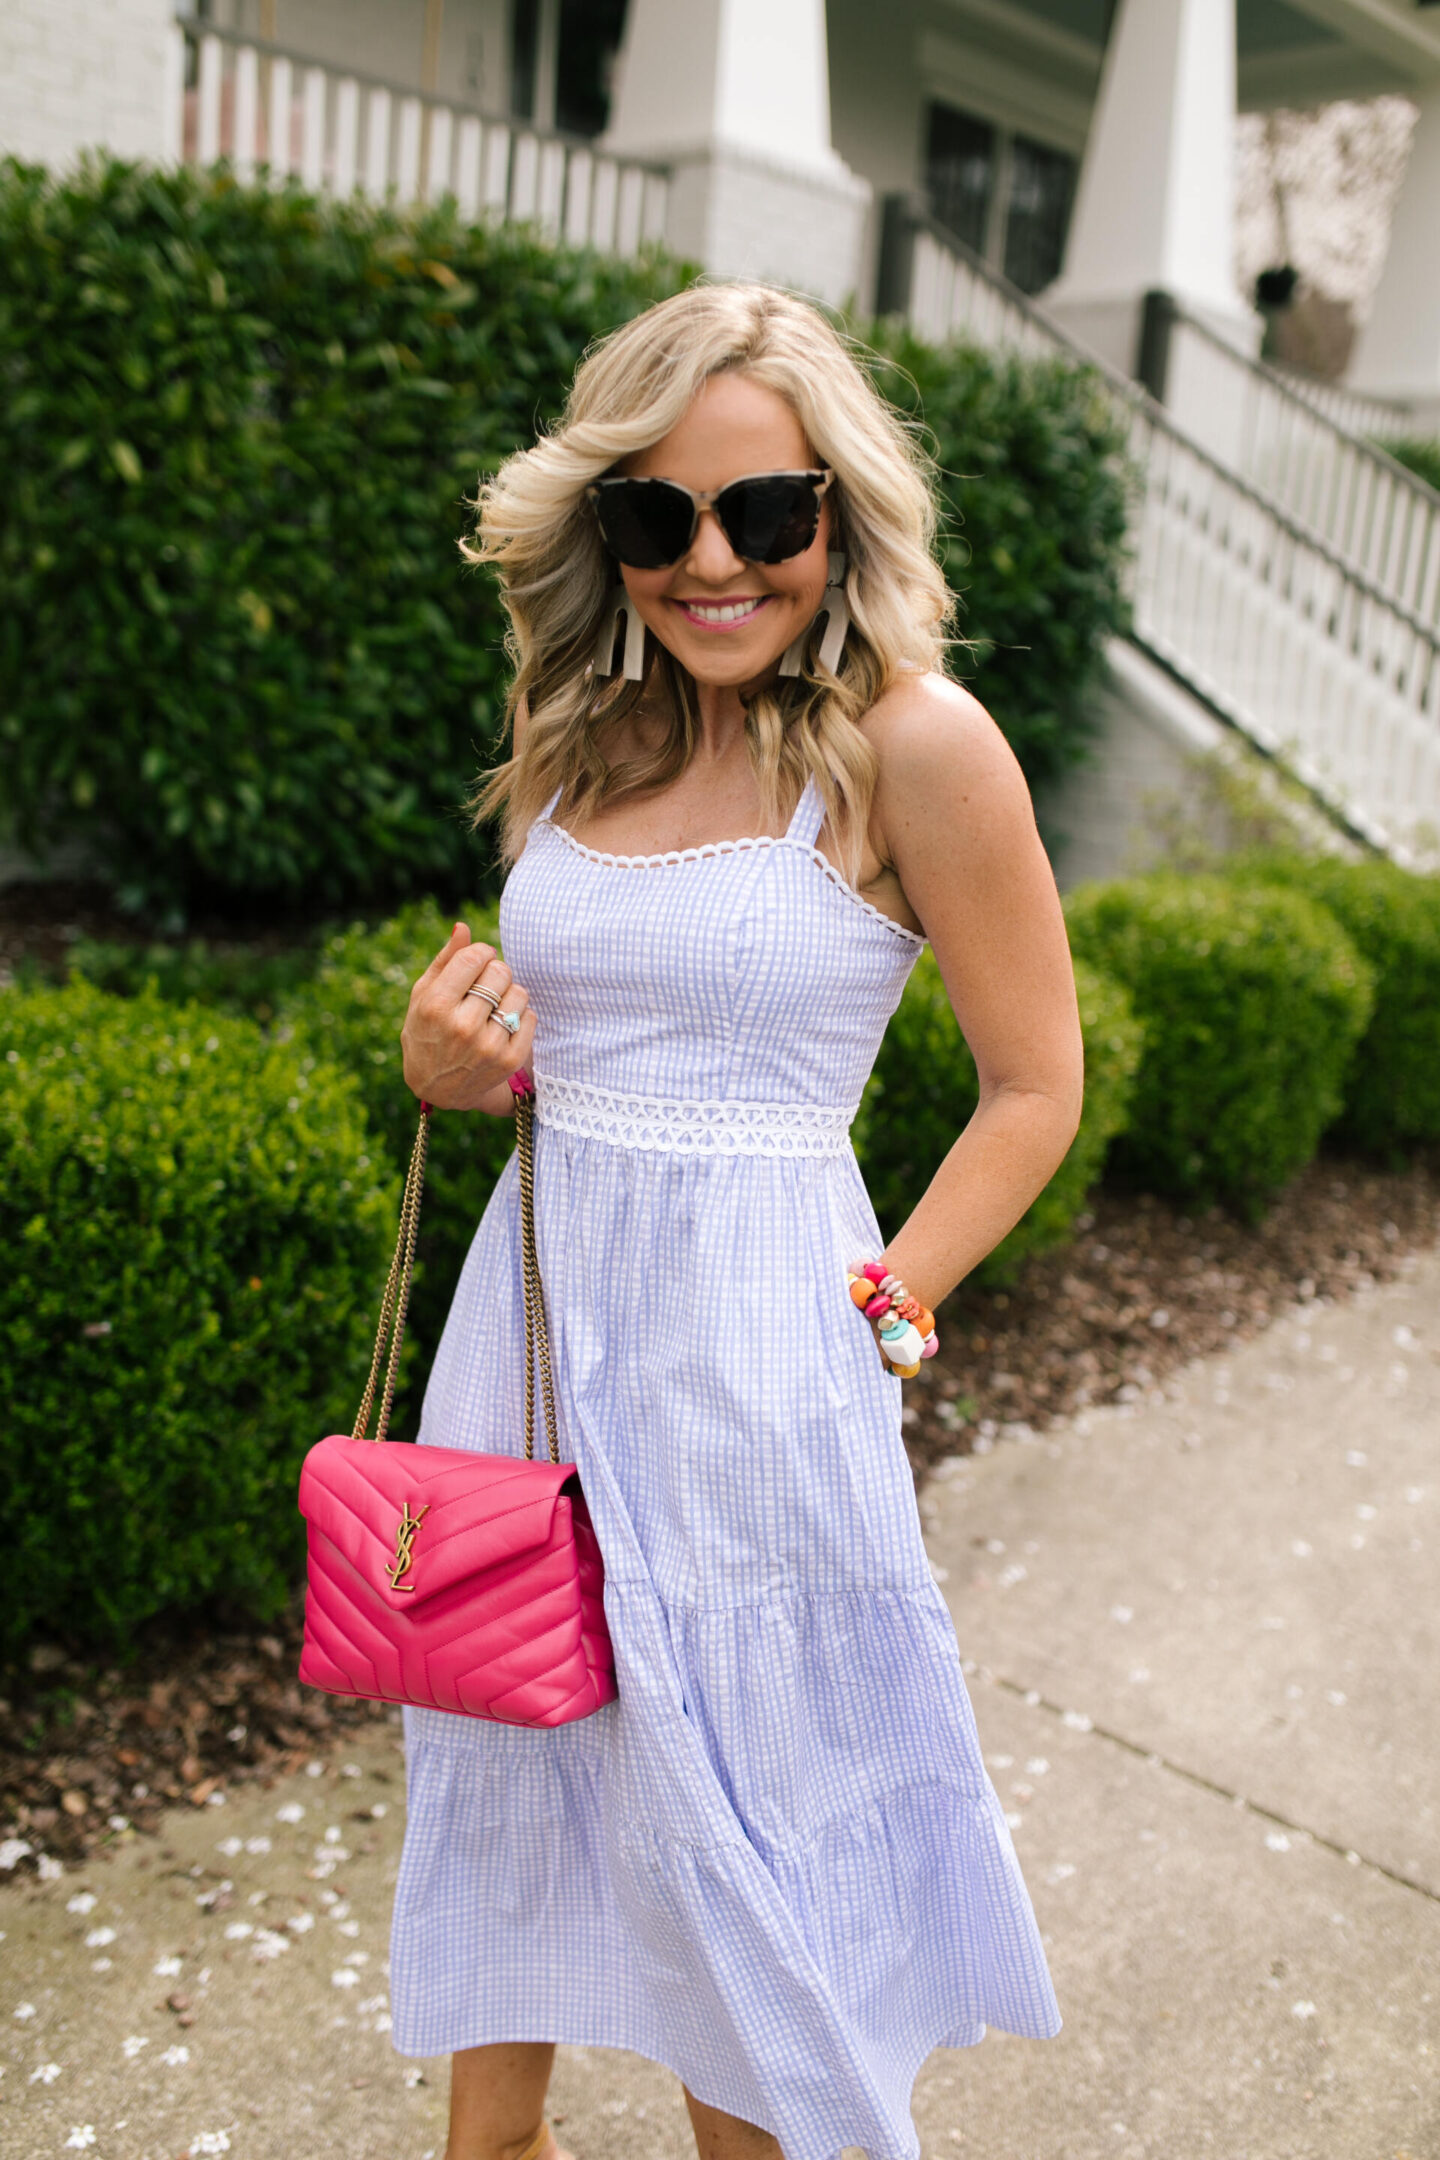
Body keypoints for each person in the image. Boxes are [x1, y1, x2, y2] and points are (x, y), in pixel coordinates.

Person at [397, 281, 1081, 2160]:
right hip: (531, 1326)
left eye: (765, 513)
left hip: (755, 1361)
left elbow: (1036, 1087)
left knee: (733, 1810)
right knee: (516, 1738)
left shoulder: (916, 747)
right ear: (603, 531)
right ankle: (494, 2140)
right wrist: (454, 1068)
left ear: (838, 514)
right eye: (657, 518)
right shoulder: (574, 730)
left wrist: (885, 1306)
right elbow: (569, 1054)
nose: (714, 562)